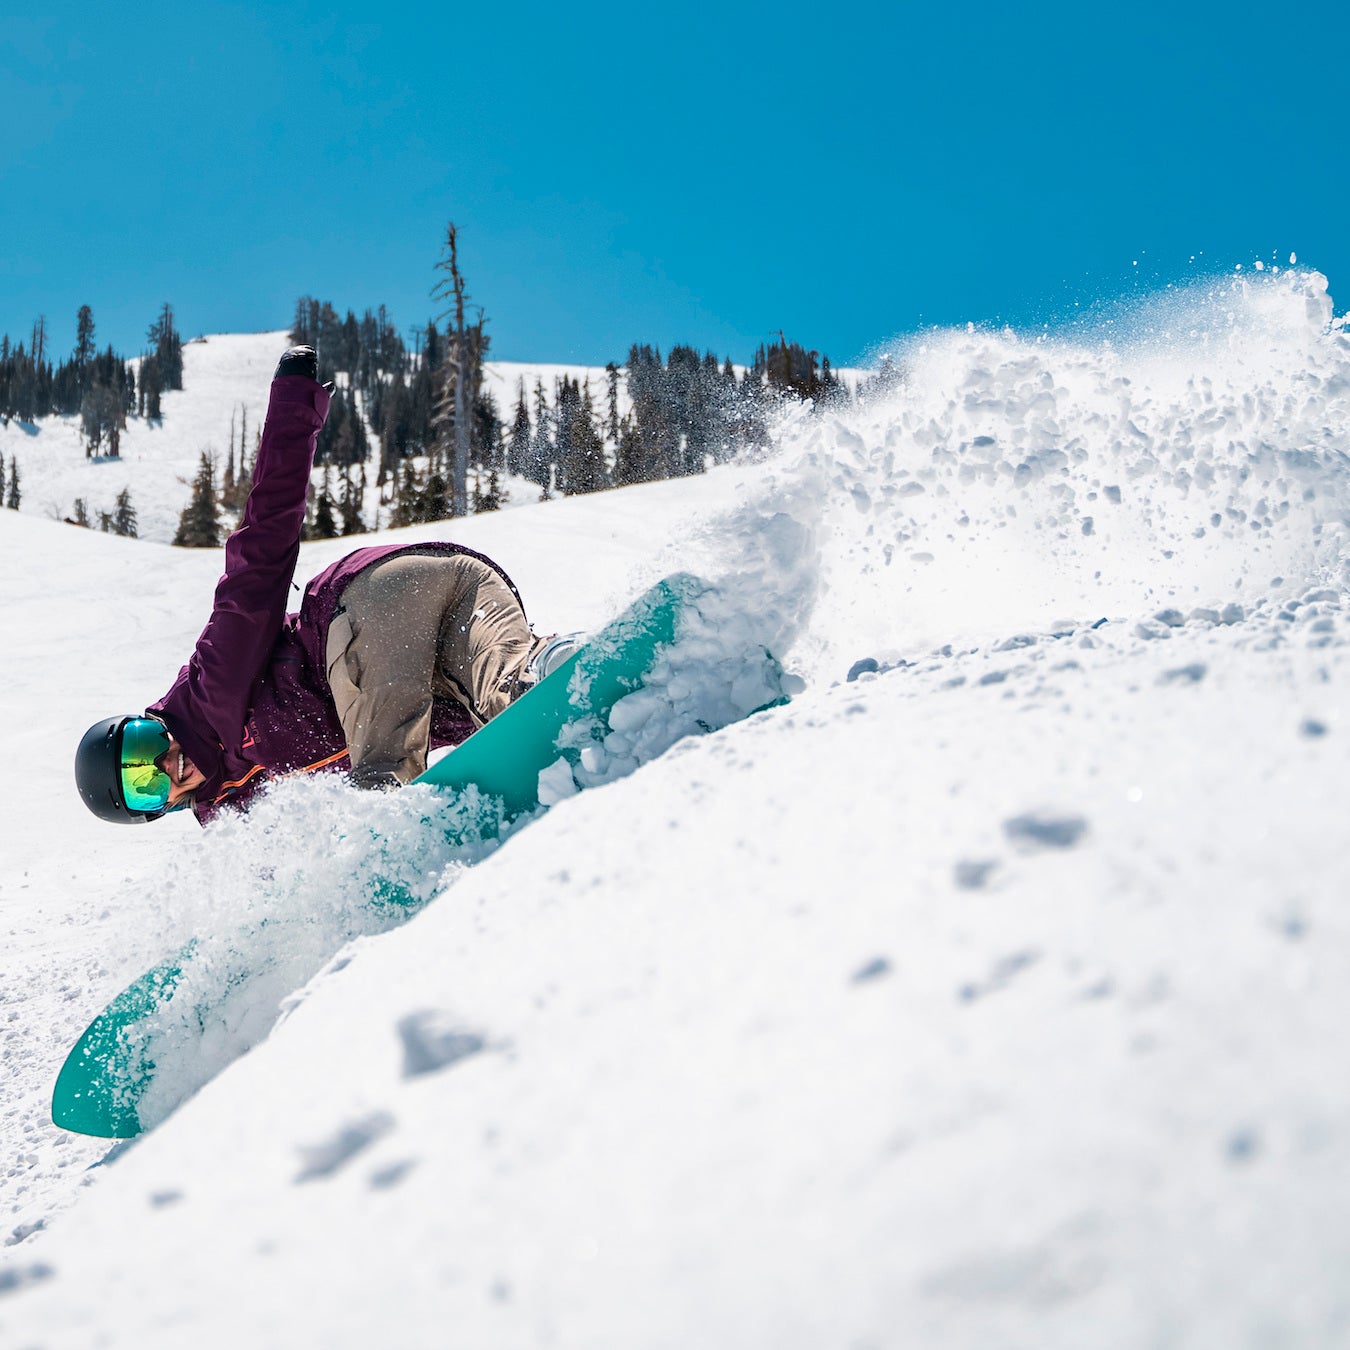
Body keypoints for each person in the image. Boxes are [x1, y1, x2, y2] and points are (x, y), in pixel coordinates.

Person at [74, 346, 579, 826]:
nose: (164, 764)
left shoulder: (212, 691)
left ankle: (390, 838)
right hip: (455, 584)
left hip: (374, 603)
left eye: (142, 745)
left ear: (151, 722)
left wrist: (294, 408)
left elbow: (261, 549)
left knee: (385, 789)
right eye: (145, 785)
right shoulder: (234, 817)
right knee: (513, 695)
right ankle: (563, 668)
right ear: (159, 810)